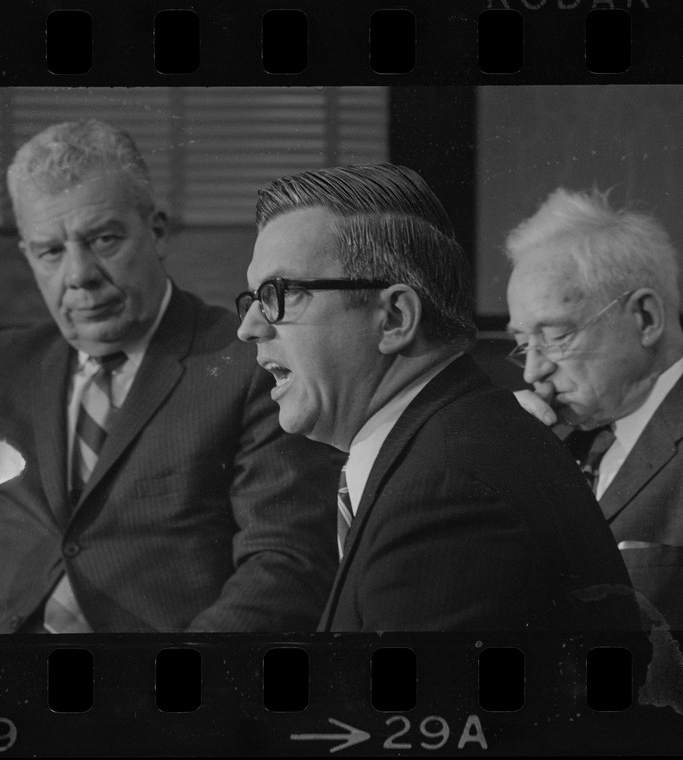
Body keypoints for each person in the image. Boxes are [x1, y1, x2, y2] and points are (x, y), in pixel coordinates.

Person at [0, 119, 343, 634]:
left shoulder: (249, 360)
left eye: (104, 239)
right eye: (50, 250)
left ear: (156, 231)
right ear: (27, 253)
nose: (79, 275)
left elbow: (287, 564)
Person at [235, 163, 643, 632]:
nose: (248, 328)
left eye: (279, 293)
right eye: (252, 300)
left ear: (393, 318)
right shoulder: (450, 445)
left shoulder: (448, 494)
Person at [504, 188, 683, 631]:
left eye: (555, 336)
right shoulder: (543, 437)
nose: (532, 371)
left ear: (645, 319)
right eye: (522, 342)